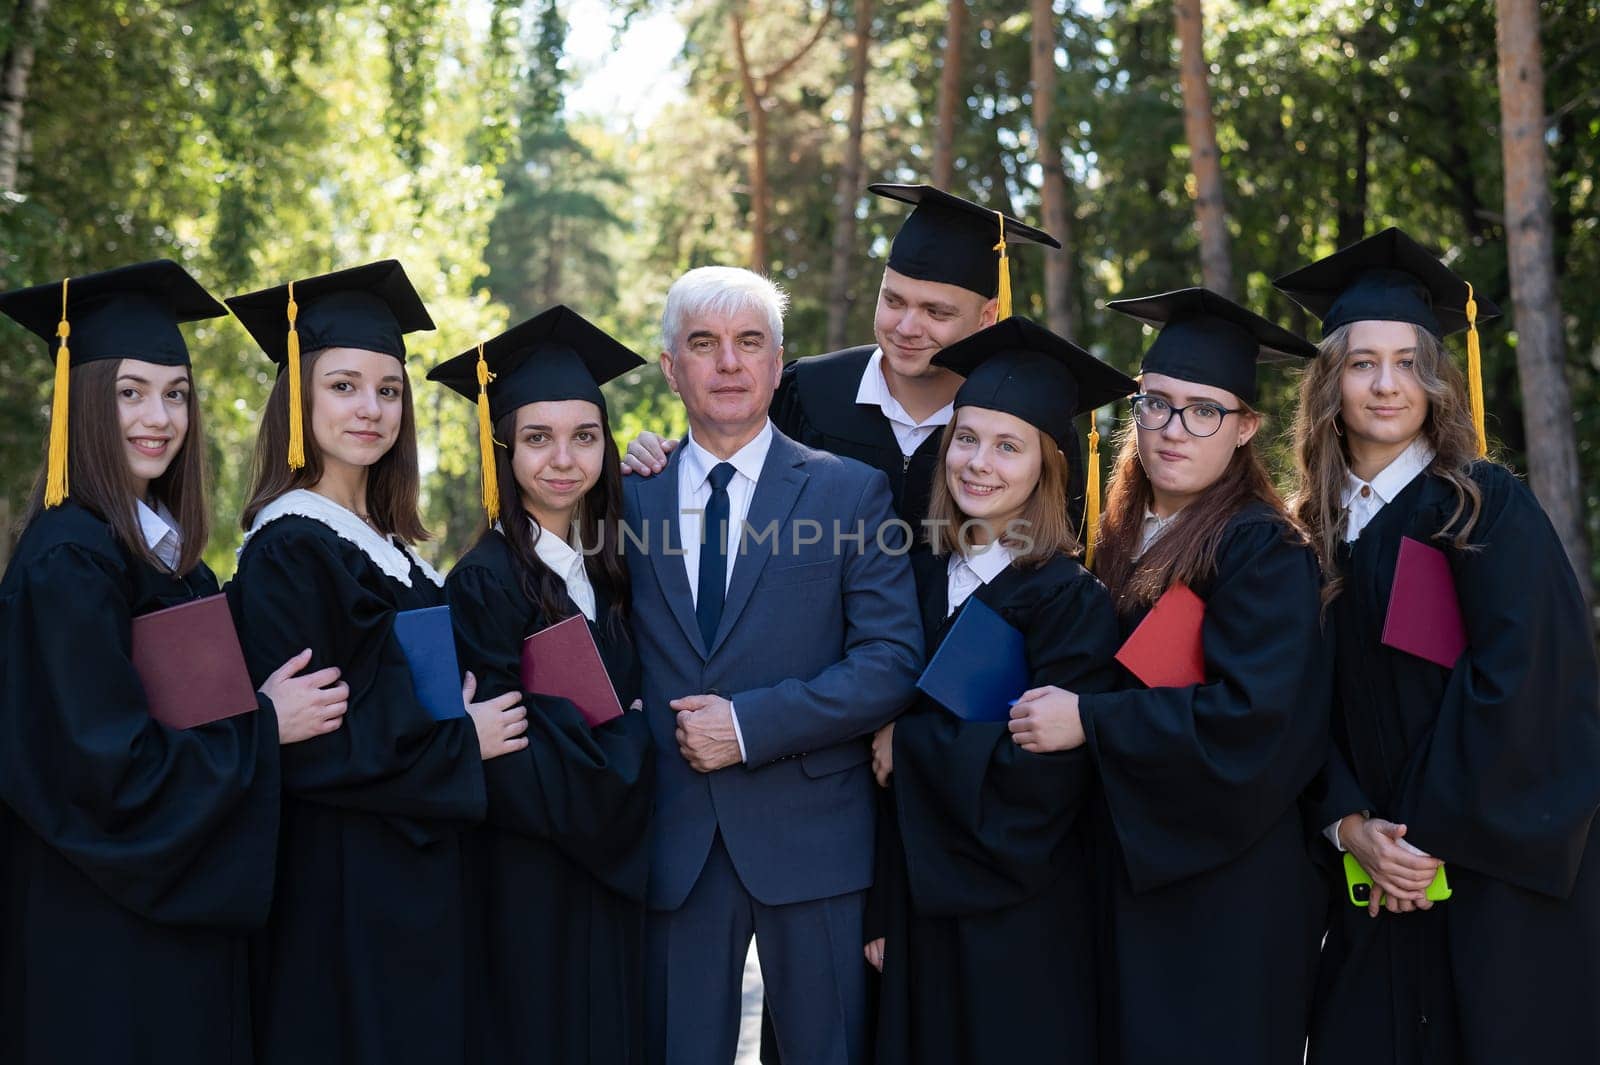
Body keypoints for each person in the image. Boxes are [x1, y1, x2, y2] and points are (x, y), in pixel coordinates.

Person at [0, 261, 347, 1063]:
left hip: (164, 928)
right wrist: (265, 726)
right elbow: (108, 774)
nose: (159, 417)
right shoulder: (70, 563)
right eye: (129, 392)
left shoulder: (165, 558)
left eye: (175, 392)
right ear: (83, 401)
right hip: (98, 944)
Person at [1277, 227, 1600, 1064]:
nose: (1387, 384)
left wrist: (1421, 839)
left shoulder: (1482, 507)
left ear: (1437, 379)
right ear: (1329, 383)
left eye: (1408, 362)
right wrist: (1350, 825)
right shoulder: (1303, 537)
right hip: (1369, 886)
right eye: (1360, 363)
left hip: (1486, 879)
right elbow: (1294, 701)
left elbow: (1529, 683)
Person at [1008, 288, 1330, 1064]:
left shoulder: (1262, 552)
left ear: (1247, 426)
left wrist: (1090, 720)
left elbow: (1254, 720)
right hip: (1130, 874)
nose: (1173, 429)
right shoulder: (1113, 533)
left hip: (1226, 893)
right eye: (1156, 404)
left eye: (1203, 410)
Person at [225, 260, 528, 1065]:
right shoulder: (289, 546)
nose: (371, 408)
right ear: (300, 399)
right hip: (344, 889)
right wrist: (461, 738)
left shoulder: (393, 548)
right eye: (344, 386)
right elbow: (316, 739)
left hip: (412, 875)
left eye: (388, 390)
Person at [626, 266, 921, 1065]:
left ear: (779, 361)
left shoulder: (849, 494)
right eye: (704, 344)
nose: (728, 363)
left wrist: (750, 726)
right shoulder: (625, 500)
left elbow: (892, 660)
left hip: (816, 834)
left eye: (749, 342)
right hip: (672, 838)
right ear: (670, 366)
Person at [864, 317, 1136, 1065]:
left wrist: (908, 744)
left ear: (1048, 467)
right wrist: (884, 905)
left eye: (1007, 446)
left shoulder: (1068, 601)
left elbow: (1047, 779)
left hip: (1021, 924)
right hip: (916, 905)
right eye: (967, 438)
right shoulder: (917, 579)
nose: (978, 463)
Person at [428, 305, 655, 1065]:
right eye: (537, 437)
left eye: (584, 436)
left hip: (610, 881)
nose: (564, 458)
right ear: (503, 447)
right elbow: (511, 752)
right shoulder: (482, 583)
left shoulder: (610, 567)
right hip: (528, 887)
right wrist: (635, 741)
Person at [624, 185, 1079, 535]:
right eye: (894, 300)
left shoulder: (1020, 418)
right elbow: (726, 463)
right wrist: (668, 454)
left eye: (936, 312)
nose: (906, 327)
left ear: (987, 316)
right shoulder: (807, 391)